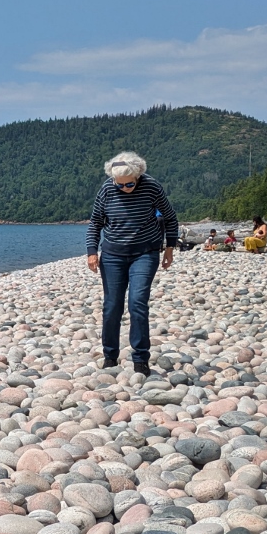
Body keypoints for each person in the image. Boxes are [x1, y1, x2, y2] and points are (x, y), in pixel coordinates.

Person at [86, 150, 179, 375]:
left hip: (144, 253)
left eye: (129, 184)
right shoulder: (107, 189)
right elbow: (95, 222)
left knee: (137, 303)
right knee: (112, 306)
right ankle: (110, 356)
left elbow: (170, 217)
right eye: (119, 184)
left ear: (138, 176)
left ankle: (140, 359)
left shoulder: (151, 186)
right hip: (112, 255)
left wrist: (169, 248)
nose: (124, 188)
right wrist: (91, 252)